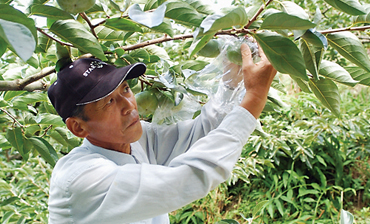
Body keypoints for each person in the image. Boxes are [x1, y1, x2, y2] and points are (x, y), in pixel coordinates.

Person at [47, 43, 277, 224]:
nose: (128, 104)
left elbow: (200, 133)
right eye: (108, 102)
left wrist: (231, 81)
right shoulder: (80, 178)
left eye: (125, 89)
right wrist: (254, 98)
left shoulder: (135, 141)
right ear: (78, 127)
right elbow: (189, 178)